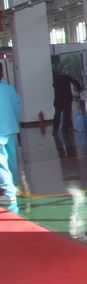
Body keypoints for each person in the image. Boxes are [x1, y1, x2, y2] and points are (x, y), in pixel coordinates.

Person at [0, 64, 21, 208]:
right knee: (12, 159)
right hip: (11, 129)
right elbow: (17, 108)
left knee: (1, 164)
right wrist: (14, 122)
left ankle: (9, 194)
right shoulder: (9, 89)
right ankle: (15, 185)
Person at [52, 68, 81, 133]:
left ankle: (55, 130)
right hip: (66, 100)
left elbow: (53, 85)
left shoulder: (56, 79)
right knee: (66, 115)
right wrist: (79, 89)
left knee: (57, 116)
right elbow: (76, 82)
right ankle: (65, 129)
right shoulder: (67, 78)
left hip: (58, 100)